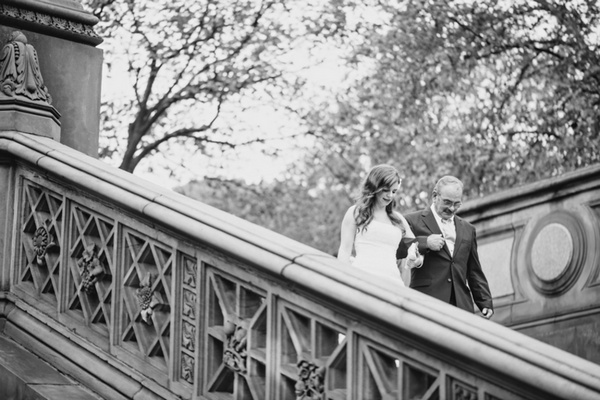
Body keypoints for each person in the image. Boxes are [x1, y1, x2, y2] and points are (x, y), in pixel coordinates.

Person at [398, 176, 493, 318]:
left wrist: (485, 302)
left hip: (461, 306)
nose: (452, 208)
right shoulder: (412, 221)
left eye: (457, 204)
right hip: (426, 302)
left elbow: (474, 271)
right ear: (435, 196)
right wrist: (425, 243)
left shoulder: (468, 229)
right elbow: (397, 249)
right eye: (447, 202)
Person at [337, 164, 422, 285]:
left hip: (392, 282)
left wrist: (416, 260)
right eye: (386, 190)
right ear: (374, 187)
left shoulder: (398, 219)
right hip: (361, 277)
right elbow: (345, 250)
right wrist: (342, 279)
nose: (390, 196)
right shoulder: (355, 212)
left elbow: (416, 248)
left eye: (394, 191)